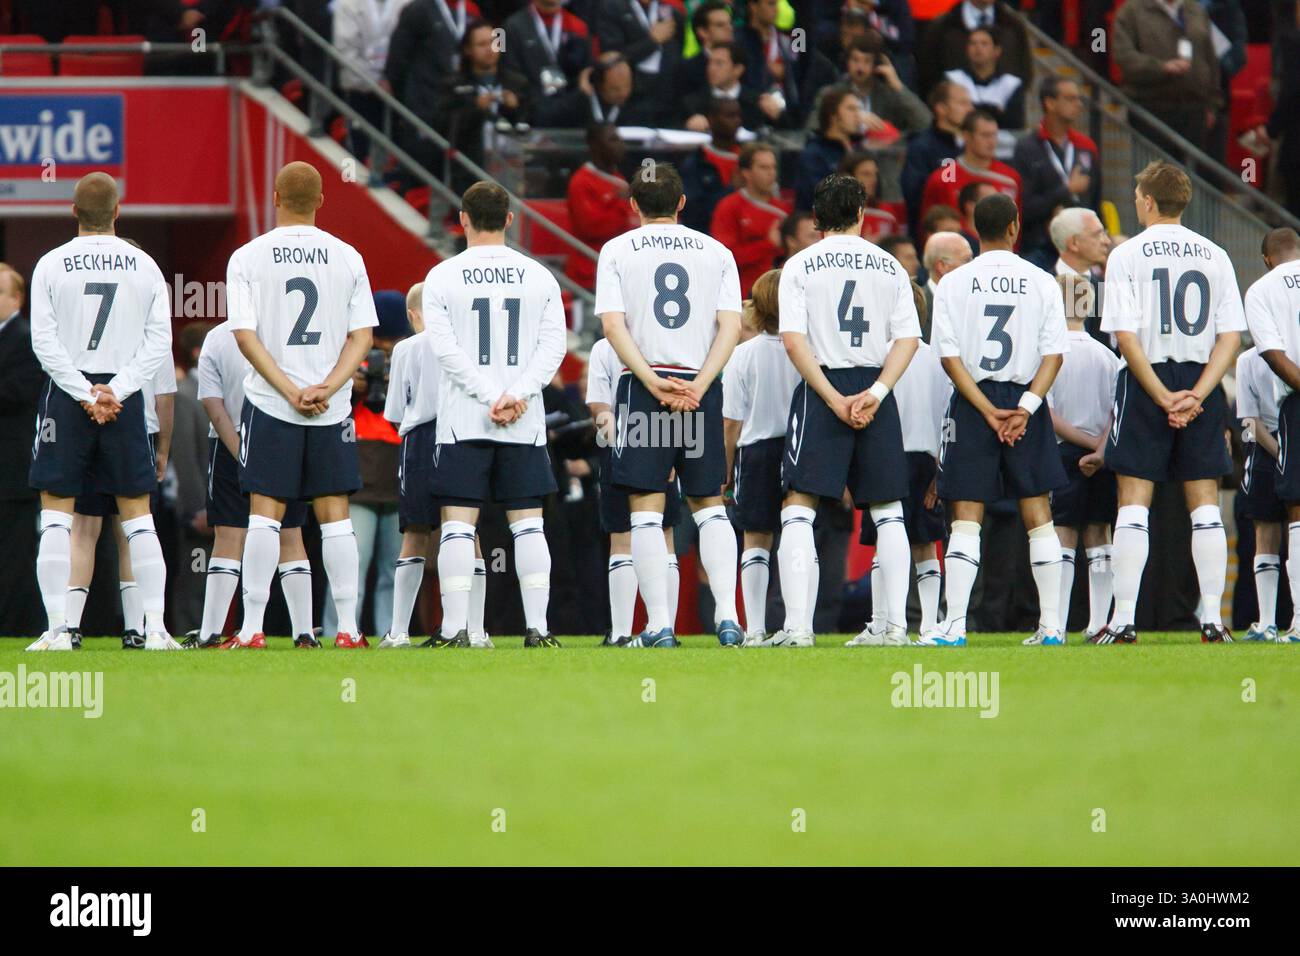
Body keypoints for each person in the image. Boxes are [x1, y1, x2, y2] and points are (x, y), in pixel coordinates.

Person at [226, 161, 379, 650]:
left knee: (264, 515)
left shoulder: (247, 257)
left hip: (273, 402)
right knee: (334, 515)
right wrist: (330, 386)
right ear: (321, 201)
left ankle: (252, 628)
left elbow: (244, 336)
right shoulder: (348, 256)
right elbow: (363, 337)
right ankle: (349, 629)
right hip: (329, 408)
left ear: (275, 197)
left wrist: (289, 388)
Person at [1096, 161, 1244, 645]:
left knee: (1133, 504)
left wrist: (1160, 395)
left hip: (1148, 380)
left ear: (1147, 201)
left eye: (1139, 195)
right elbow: (1230, 337)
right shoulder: (1216, 254)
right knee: (1204, 507)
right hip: (1201, 382)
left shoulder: (1127, 255)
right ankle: (1211, 620)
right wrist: (1198, 394)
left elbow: (1125, 334)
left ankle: (1124, 621)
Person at [597, 160, 744, 647]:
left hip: (645, 390)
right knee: (710, 505)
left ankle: (659, 624)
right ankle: (728, 617)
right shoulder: (717, 251)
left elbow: (613, 326)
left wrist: (652, 383)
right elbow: (732, 325)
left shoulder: (617, 250)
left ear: (633, 205)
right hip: (699, 388)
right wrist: (701, 385)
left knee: (644, 509)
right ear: (683, 203)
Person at [27, 173, 176, 651]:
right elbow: (160, 343)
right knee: (138, 516)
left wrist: (83, 393)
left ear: (72, 211)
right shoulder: (145, 264)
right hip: (123, 399)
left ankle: (57, 630)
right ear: (118, 211)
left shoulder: (50, 264)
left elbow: (43, 343)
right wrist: (117, 390)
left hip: (70, 397)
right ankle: (154, 629)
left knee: (56, 515)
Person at [777, 173, 920, 646]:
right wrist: (877, 393)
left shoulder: (799, 265)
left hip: (825, 385)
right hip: (875, 383)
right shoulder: (890, 265)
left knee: (799, 507)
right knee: (889, 511)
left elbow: (793, 342)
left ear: (815, 218)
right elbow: (909, 339)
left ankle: (798, 628)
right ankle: (895, 628)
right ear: (862, 213)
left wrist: (832, 398)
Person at [425, 181, 567, 647]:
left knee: (458, 525)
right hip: (523, 421)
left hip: (465, 418)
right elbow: (554, 349)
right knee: (528, 524)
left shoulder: (442, 276)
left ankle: (453, 630)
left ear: (462, 219)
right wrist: (516, 394)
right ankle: (538, 629)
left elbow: (445, 351)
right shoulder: (540, 276)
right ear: (509, 219)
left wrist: (489, 395)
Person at [928, 193, 1069, 647]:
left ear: (974, 226)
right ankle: (1052, 627)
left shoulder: (952, 282)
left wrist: (987, 410)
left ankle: (954, 627)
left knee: (966, 515)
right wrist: (1025, 407)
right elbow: (1054, 353)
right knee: (1038, 513)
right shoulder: (1043, 281)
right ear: (1014, 227)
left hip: (974, 400)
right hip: (1026, 398)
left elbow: (948, 357)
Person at [191, 320, 315, 648]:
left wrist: (241, 453)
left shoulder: (218, 338)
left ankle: (210, 632)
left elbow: (213, 406)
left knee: (228, 537)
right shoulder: (289, 332)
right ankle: (304, 633)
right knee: (290, 534)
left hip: (231, 444)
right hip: (284, 442)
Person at [381, 283, 492, 648]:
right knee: (466, 532)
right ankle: (475, 630)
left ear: (413, 314)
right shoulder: (468, 345)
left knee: (414, 533)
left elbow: (396, 410)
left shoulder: (407, 348)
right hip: (464, 434)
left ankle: (399, 631)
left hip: (421, 440)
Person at [853, 279, 950, 641]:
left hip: (885, 456)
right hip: (927, 460)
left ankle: (885, 623)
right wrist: (942, 471)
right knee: (925, 545)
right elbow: (948, 421)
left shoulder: (877, 358)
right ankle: (926, 624)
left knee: (885, 539)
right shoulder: (938, 362)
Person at [64, 358, 175, 649]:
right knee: (133, 529)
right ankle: (136, 628)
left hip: (85, 420)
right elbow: (164, 395)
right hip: (137, 426)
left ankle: (69, 626)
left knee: (83, 528)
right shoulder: (150, 328)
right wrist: (164, 448)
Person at [722, 269, 802, 645]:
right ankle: (800, 624)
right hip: (801, 447)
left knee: (756, 539)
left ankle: (754, 628)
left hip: (754, 451)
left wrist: (724, 470)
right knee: (800, 534)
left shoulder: (742, 355)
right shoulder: (806, 350)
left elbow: (731, 424)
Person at [586, 335, 682, 645]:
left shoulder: (605, 347)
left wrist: (623, 448)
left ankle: (622, 632)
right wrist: (668, 452)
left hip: (621, 446)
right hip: (662, 440)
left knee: (622, 537)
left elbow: (599, 406)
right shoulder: (667, 341)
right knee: (664, 534)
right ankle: (665, 629)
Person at [1047, 273, 1120, 640]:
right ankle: (1098, 623)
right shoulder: (1108, 356)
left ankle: (1056, 625)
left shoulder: (1050, 355)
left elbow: (1049, 415)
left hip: (1064, 453)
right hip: (1102, 452)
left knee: (1063, 534)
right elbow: (1116, 410)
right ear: (1089, 306)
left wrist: (1083, 446)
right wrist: (1101, 449)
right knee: (1099, 533)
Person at [1241, 226, 1300, 643]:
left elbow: (1273, 354)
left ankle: (1297, 623)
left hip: (1295, 402)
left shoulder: (1262, 289)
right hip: (1274, 430)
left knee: (1297, 513)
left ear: (1266, 259)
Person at [1111, 0, 1222, 155]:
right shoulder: (1131, 11)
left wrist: (1212, 104)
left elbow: (1211, 59)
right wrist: (1161, 67)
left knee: (1188, 177)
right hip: (1150, 110)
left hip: (1194, 111)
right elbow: (1124, 57)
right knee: (1155, 175)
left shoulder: (1196, 10)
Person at [1013, 77, 1100, 268]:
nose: (1078, 104)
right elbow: (1024, 207)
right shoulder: (1027, 148)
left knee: (1084, 294)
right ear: (1050, 103)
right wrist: (1066, 190)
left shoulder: (1086, 147)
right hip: (1040, 247)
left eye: (1079, 99)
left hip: (1082, 247)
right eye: (1070, 99)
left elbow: (1095, 201)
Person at [0, 263, 44, 638]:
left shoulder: (27, 339)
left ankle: (16, 629)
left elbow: (20, 392)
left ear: (17, 298)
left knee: (15, 557)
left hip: (12, 471)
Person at [440, 19, 531, 195]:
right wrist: (475, 108)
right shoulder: (454, 85)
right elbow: (443, 125)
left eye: (493, 43)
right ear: (467, 50)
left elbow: (532, 123)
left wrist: (514, 108)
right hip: (470, 170)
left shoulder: (517, 82)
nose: (490, 49)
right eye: (482, 44)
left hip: (511, 167)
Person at [1234, 343, 1284, 642]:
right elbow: (1247, 422)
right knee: (1265, 532)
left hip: (1279, 443)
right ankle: (1267, 621)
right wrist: (1280, 452)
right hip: (1267, 448)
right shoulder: (1246, 361)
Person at [919, 110, 1021, 235]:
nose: (992, 141)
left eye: (994, 135)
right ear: (966, 136)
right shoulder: (942, 178)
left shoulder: (1010, 177)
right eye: (985, 135)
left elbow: (1016, 224)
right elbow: (928, 226)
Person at [709, 143, 791, 296]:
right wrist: (768, 244)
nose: (771, 173)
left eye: (773, 167)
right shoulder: (729, 207)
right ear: (746, 172)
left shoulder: (784, 210)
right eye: (764, 167)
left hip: (779, 294)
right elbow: (725, 258)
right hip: (741, 295)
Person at [566, 124, 639, 292]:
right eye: (613, 140)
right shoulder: (582, 181)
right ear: (595, 145)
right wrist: (621, 204)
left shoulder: (618, 178)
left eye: (620, 139)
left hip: (617, 272)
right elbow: (592, 228)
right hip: (589, 275)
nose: (621, 145)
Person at [502, 0, 594, 128]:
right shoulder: (511, 27)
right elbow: (509, 70)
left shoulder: (579, 27)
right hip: (530, 113)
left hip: (570, 114)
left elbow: (586, 70)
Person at [900, 79, 972, 235]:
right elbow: (914, 195)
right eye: (962, 103)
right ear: (941, 108)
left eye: (970, 104)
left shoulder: (970, 147)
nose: (970, 109)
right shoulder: (922, 147)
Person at [919, 0, 1032, 96]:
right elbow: (928, 75)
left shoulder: (1014, 27)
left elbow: (1024, 71)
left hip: (1005, 116)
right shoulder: (942, 27)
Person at [794, 86, 863, 212]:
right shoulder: (813, 154)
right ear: (833, 115)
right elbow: (815, 197)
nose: (858, 115)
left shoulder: (861, 151)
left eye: (859, 109)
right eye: (851, 109)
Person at [1048, 207, 1111, 344]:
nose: (1106, 241)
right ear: (1074, 243)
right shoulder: (1043, 288)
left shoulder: (1105, 289)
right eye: (1098, 234)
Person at [679, 97, 743, 232]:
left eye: (738, 116)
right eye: (730, 116)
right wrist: (731, 190)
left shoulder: (749, 158)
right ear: (711, 120)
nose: (736, 121)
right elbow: (692, 214)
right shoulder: (696, 163)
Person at [942, 26, 1024, 130]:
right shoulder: (953, 79)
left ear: (997, 51)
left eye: (984, 44)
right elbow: (949, 117)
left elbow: (1015, 123)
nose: (978, 48)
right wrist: (994, 110)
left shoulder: (1011, 84)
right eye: (973, 43)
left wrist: (971, 109)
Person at [840, 151, 900, 241]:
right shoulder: (834, 213)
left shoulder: (887, 213)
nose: (874, 179)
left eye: (875, 174)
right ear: (848, 177)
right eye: (866, 174)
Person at [920, 231, 972, 333]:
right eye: (967, 260)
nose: (973, 265)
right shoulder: (914, 308)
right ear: (942, 266)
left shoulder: (974, 302)